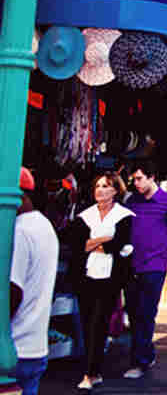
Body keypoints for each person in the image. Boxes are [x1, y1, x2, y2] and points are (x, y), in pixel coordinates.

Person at [67, 171, 134, 391]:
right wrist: (105, 240)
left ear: (115, 190)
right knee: (87, 324)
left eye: (105, 186)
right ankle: (92, 368)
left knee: (99, 323)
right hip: (86, 277)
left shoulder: (124, 216)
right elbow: (78, 245)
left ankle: (91, 373)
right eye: (97, 186)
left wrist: (93, 243)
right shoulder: (84, 215)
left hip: (110, 279)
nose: (100, 190)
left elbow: (120, 244)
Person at [124, 160, 167, 380]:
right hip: (131, 265)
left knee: (146, 314)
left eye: (139, 179)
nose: (136, 183)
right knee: (133, 314)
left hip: (155, 266)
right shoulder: (132, 201)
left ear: (151, 177)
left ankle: (139, 363)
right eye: (134, 180)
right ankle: (146, 354)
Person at [11, 167, 58, 395]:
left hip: (14, 349)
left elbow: (12, 292)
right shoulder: (44, 226)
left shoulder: (20, 232)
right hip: (36, 347)